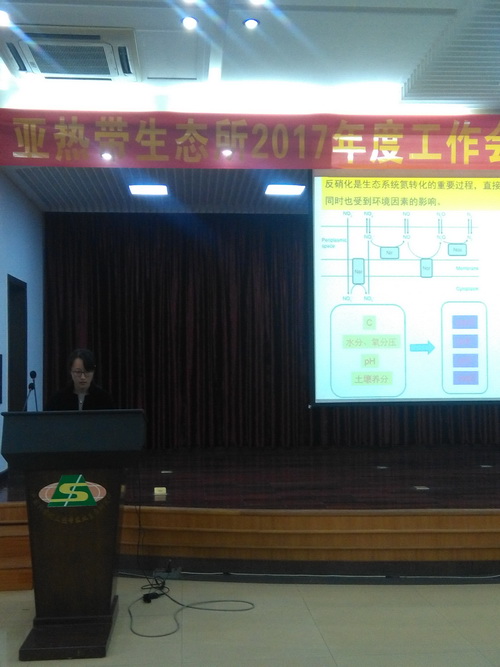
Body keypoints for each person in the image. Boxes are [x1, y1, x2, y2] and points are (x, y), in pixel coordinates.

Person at [45, 348, 115, 411]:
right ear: (70, 371)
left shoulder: (104, 399)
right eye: (78, 372)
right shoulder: (57, 400)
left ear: (93, 372)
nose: (83, 377)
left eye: (87, 372)